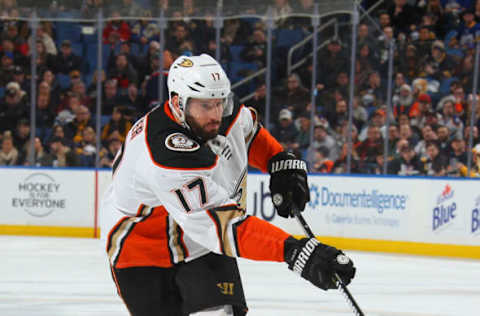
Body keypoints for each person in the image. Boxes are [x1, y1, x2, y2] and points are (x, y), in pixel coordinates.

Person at [101, 54, 356, 316]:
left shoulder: (222, 111)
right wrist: (295, 252)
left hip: (200, 242)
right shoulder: (164, 154)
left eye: (219, 104)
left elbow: (249, 132)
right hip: (142, 251)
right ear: (178, 103)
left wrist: (278, 160)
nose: (216, 115)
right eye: (205, 106)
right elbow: (225, 225)